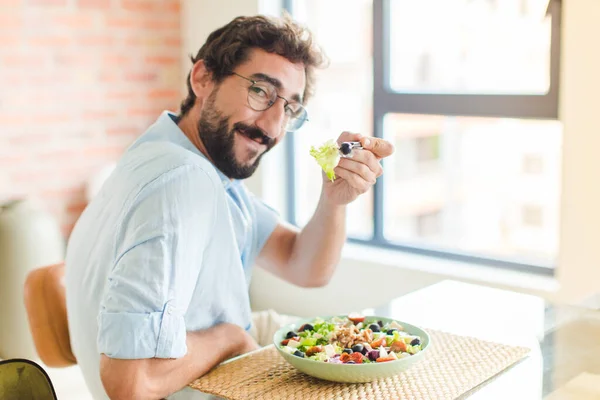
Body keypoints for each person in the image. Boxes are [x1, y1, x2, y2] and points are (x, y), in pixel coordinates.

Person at [64, 14, 394, 400]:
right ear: (203, 78)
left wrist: (334, 200)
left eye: (288, 108)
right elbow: (131, 385)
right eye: (260, 92)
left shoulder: (186, 163)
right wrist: (230, 338)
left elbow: (305, 266)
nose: (272, 125)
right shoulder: (182, 181)